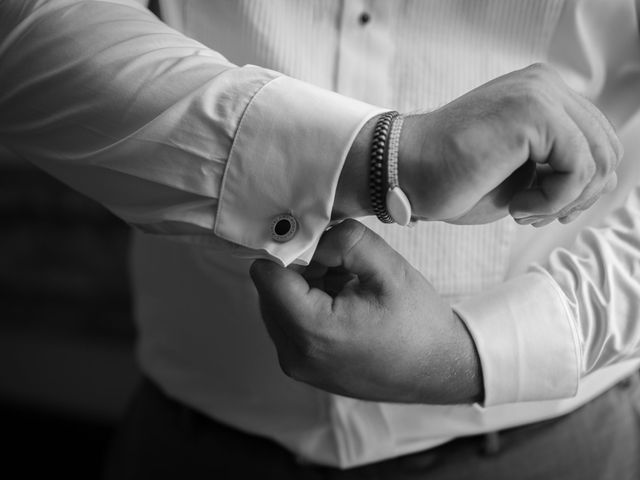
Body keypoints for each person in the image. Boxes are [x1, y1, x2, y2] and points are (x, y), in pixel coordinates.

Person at [1, 0, 639, 478]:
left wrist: (473, 356)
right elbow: (30, 24)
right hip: (191, 445)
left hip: (553, 453)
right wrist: (386, 156)